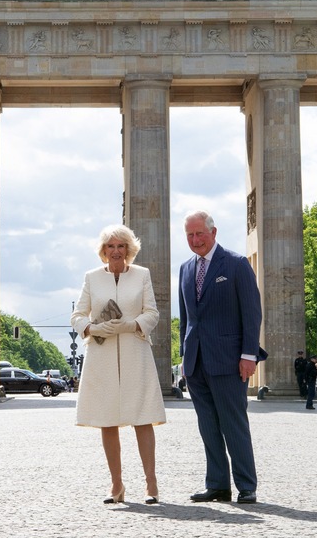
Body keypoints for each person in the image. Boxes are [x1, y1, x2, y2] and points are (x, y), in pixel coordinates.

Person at [71, 224, 165, 506]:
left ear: (129, 249)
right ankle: (116, 484)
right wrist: (91, 329)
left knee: (142, 416)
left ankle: (151, 483)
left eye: (121, 246)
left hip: (135, 352)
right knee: (107, 420)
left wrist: (132, 324)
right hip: (101, 356)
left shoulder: (142, 275)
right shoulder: (91, 278)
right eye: (110, 246)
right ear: (103, 250)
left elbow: (153, 313)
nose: (115, 251)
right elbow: (77, 315)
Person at [178, 210, 264, 505]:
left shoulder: (237, 264)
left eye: (200, 233)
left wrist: (249, 354)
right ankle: (217, 484)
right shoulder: (185, 268)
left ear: (214, 233)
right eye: (190, 234)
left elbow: (252, 313)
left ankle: (246, 485)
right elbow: (187, 319)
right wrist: (183, 360)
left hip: (230, 360)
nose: (195, 239)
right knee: (208, 426)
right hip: (196, 362)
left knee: (233, 423)